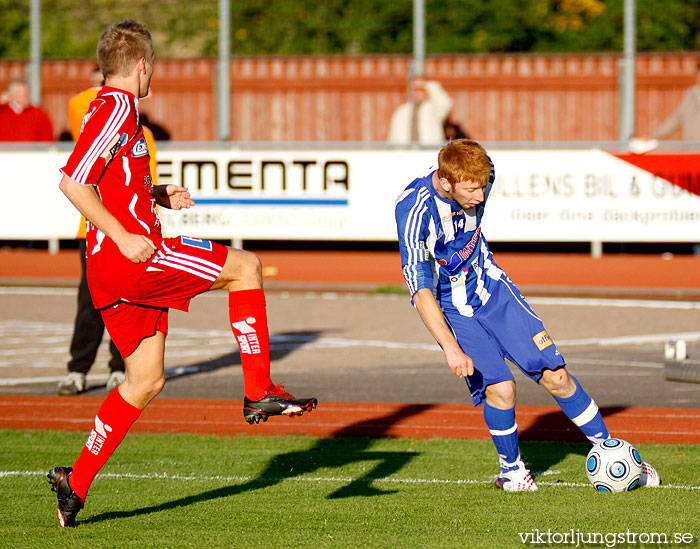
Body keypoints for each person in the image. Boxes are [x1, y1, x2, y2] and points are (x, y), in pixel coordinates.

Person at [47, 20, 317, 528]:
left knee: (145, 381)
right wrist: (126, 236)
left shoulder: (111, 112)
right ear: (143, 65)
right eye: (154, 68)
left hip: (110, 269)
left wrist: (155, 194)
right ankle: (258, 389)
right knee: (246, 267)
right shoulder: (118, 107)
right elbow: (72, 183)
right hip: (130, 260)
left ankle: (74, 482)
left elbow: (109, 177)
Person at [394, 139, 659, 492]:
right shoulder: (413, 210)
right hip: (453, 307)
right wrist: (450, 348)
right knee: (502, 389)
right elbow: (421, 289)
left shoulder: (482, 174)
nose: (479, 196)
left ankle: (612, 451)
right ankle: (512, 471)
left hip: (493, 289)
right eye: (471, 189)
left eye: (483, 186)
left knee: (557, 376)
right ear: (445, 181)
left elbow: (479, 171)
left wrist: (478, 182)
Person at [57, 67, 159, 396]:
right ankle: (78, 368)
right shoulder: (100, 111)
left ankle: (120, 367)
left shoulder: (142, 132)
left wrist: (159, 194)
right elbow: (79, 104)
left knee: (131, 303)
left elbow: (137, 185)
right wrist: (113, 83)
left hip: (136, 232)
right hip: (99, 231)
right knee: (90, 302)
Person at [387, 76, 453, 145]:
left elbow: (446, 104)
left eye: (421, 89)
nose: (419, 92)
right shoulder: (401, 112)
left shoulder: (434, 109)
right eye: (416, 89)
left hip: (428, 152)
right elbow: (393, 137)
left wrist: (430, 86)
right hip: (405, 153)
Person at [652, 62, 700, 141]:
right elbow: (676, 118)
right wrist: (655, 136)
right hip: (691, 147)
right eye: (698, 76)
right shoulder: (691, 95)